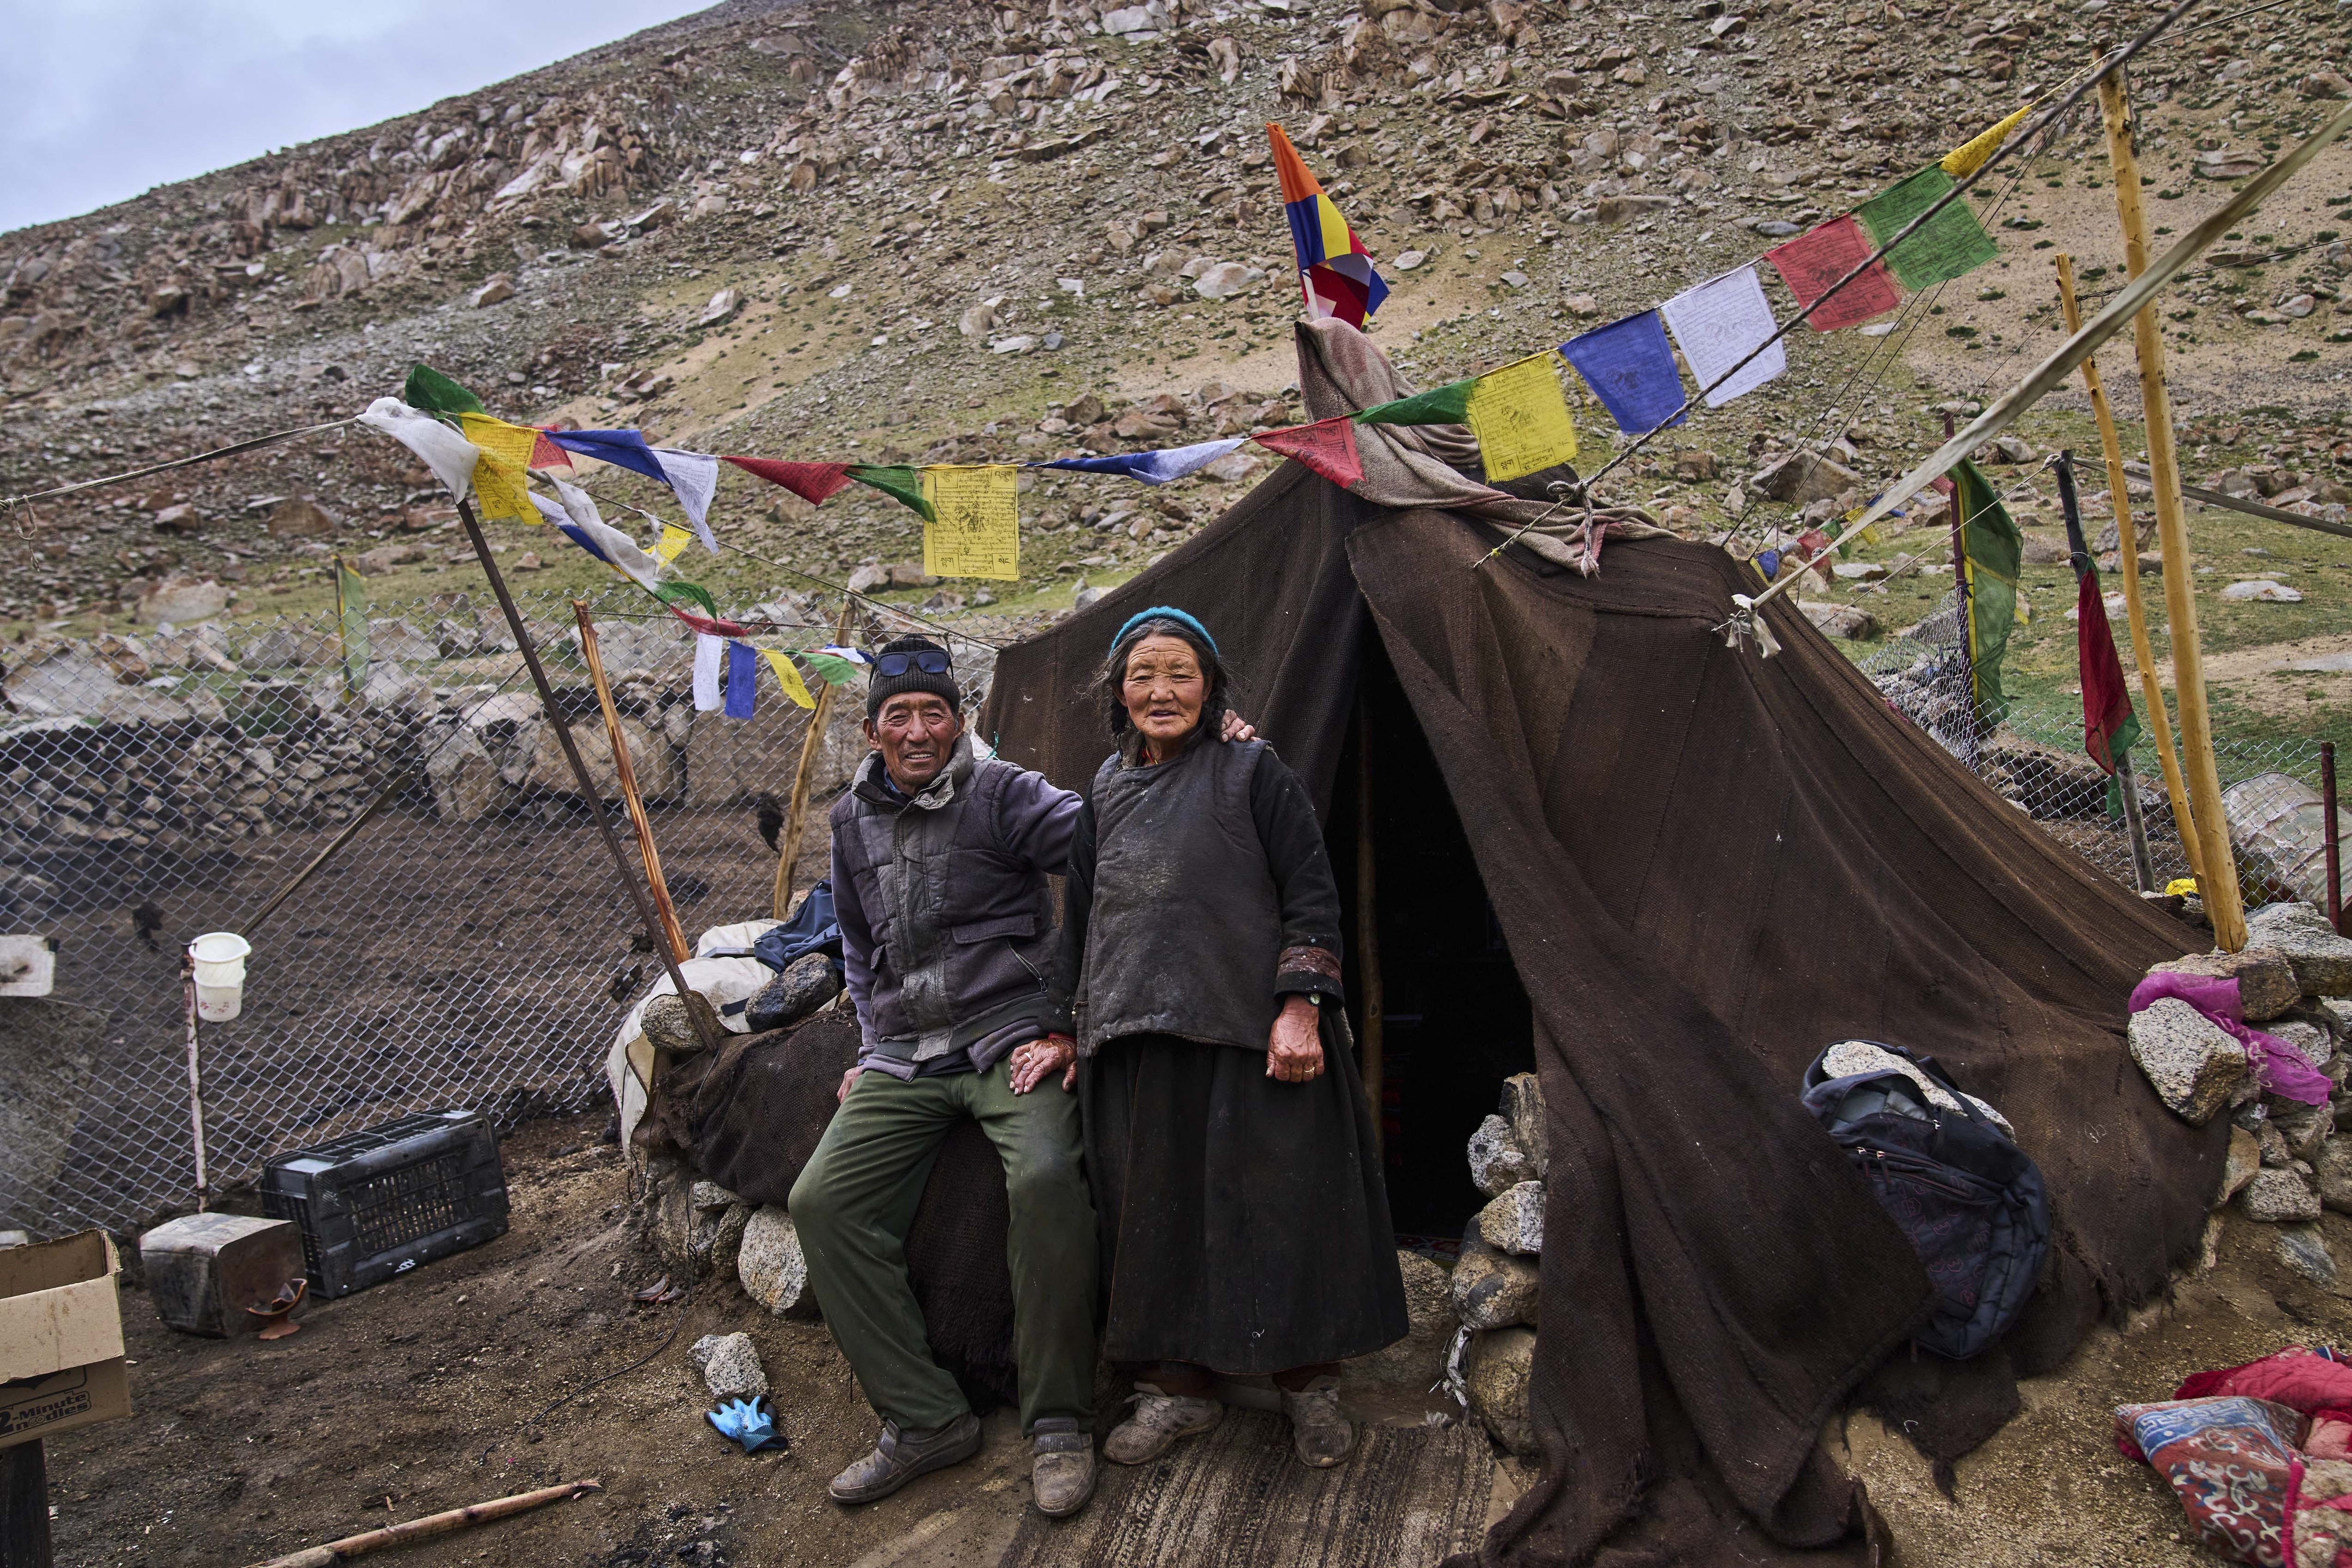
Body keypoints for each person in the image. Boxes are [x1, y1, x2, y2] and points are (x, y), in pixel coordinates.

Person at [1041, 606, 1409, 1472]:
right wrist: (1065, 1027)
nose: (1161, 690)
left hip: (1252, 1033)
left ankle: (1307, 1385)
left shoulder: (1254, 772)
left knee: (1278, 1208)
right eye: (1143, 675)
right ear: (1118, 692)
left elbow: (1311, 894)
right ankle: (1177, 1392)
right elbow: (1081, 920)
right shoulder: (1103, 790)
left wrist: (1300, 1004)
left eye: (1180, 673)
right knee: (1153, 1214)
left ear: (1211, 688)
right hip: (1136, 1034)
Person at [788, 634, 1100, 1518]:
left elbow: (1104, 847)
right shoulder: (850, 820)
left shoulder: (1005, 794)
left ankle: (1060, 1423)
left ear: (961, 722)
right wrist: (866, 1049)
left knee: (1045, 1178)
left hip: (1010, 1033)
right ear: (872, 729)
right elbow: (857, 943)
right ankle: (926, 1418)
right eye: (900, 716)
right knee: (824, 1203)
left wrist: (1071, 1018)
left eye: (935, 713)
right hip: (906, 1052)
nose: (919, 730)